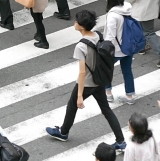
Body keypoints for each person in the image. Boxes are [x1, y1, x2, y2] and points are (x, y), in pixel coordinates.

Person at [46, 10, 126, 151]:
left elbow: (82, 72)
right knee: (106, 110)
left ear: (81, 26)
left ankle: (63, 133)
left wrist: (79, 96)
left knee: (72, 105)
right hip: (101, 80)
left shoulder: (81, 46)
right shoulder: (98, 35)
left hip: (89, 82)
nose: (74, 23)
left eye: (76, 21)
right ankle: (120, 141)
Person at [104, 0, 135, 105]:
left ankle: (108, 94)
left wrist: (107, 50)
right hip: (128, 47)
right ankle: (130, 96)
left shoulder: (112, 15)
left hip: (116, 50)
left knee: (106, 69)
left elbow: (110, 36)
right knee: (127, 71)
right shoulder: (128, 9)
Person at [126, 0, 160, 68]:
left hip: (141, 8)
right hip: (151, 8)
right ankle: (141, 47)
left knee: (148, 33)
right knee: (142, 29)